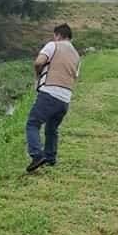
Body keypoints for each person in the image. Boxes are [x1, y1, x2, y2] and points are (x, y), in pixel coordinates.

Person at [26, 23, 81, 173]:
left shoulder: (53, 45)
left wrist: (38, 75)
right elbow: (75, 76)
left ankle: (37, 155)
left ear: (58, 35)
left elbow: (38, 62)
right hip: (65, 98)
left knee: (32, 123)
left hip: (49, 92)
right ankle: (50, 159)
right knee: (52, 128)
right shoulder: (76, 55)